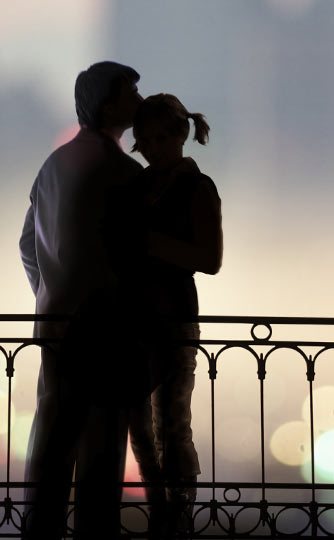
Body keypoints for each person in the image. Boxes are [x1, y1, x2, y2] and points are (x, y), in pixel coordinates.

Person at [19, 60, 144, 539]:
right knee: (101, 445)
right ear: (110, 104)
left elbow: (27, 245)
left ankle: (39, 531)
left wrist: (49, 293)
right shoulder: (123, 172)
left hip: (55, 326)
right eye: (131, 92)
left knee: (51, 440)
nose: (138, 99)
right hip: (104, 328)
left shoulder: (53, 165)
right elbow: (135, 255)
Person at [123, 93, 223, 537]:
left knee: (171, 423)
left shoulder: (196, 187)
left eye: (160, 138)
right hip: (141, 318)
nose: (153, 147)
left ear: (181, 135)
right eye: (146, 140)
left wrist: (148, 245)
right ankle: (165, 510)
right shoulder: (146, 186)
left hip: (172, 319)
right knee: (144, 426)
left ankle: (176, 515)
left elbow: (211, 257)